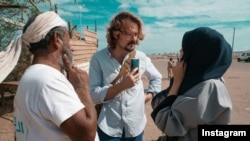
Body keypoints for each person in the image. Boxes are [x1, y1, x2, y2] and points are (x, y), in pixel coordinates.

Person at [13, 11, 99, 141]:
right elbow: (87, 135)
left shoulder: (30, 76)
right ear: (57, 39)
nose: (71, 47)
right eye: (68, 38)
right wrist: (82, 87)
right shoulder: (49, 80)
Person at [89, 11, 162, 140]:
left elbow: (156, 78)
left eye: (136, 34)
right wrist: (122, 86)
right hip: (109, 129)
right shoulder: (98, 59)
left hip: (135, 127)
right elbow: (94, 95)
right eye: (129, 34)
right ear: (116, 34)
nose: (134, 39)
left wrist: (146, 97)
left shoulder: (141, 57)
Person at [151, 27, 232, 141]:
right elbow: (158, 102)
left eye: (184, 50)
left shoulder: (208, 86)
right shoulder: (200, 81)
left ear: (197, 53)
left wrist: (177, 83)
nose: (180, 53)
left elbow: (167, 122)